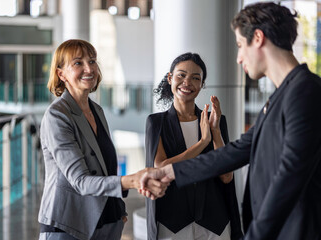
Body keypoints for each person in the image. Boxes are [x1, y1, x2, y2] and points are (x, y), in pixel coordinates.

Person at [140, 2, 321, 240]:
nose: (238, 58)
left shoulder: (305, 90)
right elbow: (236, 151)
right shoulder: (281, 96)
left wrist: (257, 234)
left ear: (258, 38)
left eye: (239, 45)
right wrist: (169, 172)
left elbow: (291, 174)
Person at [38, 39, 167, 240]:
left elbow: (103, 165)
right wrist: (132, 181)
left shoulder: (96, 110)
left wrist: (118, 208)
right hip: (68, 226)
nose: (89, 68)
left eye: (92, 61)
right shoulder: (57, 116)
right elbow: (80, 181)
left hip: (107, 222)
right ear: (61, 73)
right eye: (78, 63)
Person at [145, 52, 243, 240]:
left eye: (195, 78)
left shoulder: (217, 121)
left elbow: (226, 176)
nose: (187, 82)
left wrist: (214, 132)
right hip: (173, 223)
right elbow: (162, 168)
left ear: (202, 84)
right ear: (170, 78)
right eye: (181, 75)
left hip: (215, 222)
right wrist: (202, 143)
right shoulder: (156, 122)